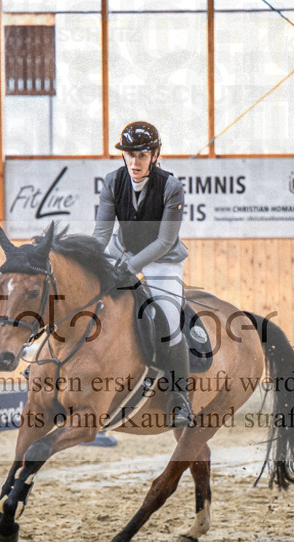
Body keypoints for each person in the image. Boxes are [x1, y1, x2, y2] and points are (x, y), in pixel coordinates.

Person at [92, 121, 193, 428]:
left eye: (142, 155)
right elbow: (101, 233)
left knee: (168, 318)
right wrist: (95, 263)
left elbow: (164, 242)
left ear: (154, 155)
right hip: (121, 251)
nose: (134, 162)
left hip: (163, 260)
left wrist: (132, 266)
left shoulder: (172, 187)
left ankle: (180, 397)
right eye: (129, 155)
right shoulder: (112, 182)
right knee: (86, 291)